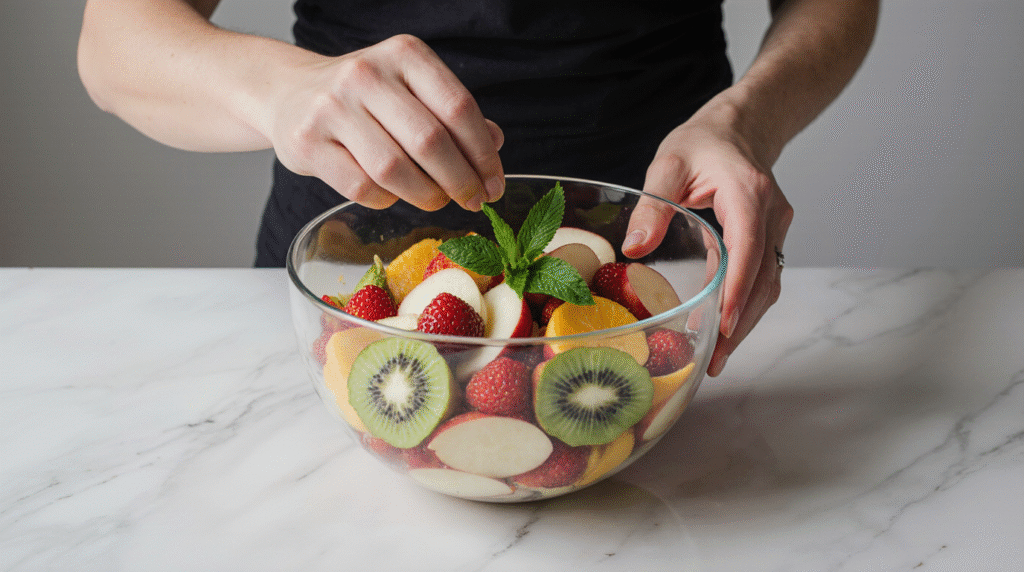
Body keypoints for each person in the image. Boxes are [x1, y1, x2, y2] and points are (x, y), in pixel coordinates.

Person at [77, 0, 879, 377]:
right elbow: (114, 47)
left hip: (648, 285)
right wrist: (283, 90)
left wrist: (746, 121)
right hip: (350, 282)